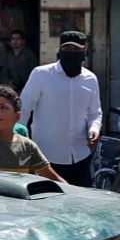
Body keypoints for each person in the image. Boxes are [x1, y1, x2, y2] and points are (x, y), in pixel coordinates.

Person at [19, 31, 102, 187]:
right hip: (46, 158)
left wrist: (94, 129)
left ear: (84, 52)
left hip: (80, 156)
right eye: (68, 49)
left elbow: (95, 113)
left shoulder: (91, 79)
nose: (72, 53)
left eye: (76, 50)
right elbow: (23, 109)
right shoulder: (41, 75)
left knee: (80, 204)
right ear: (60, 50)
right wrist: (21, 143)